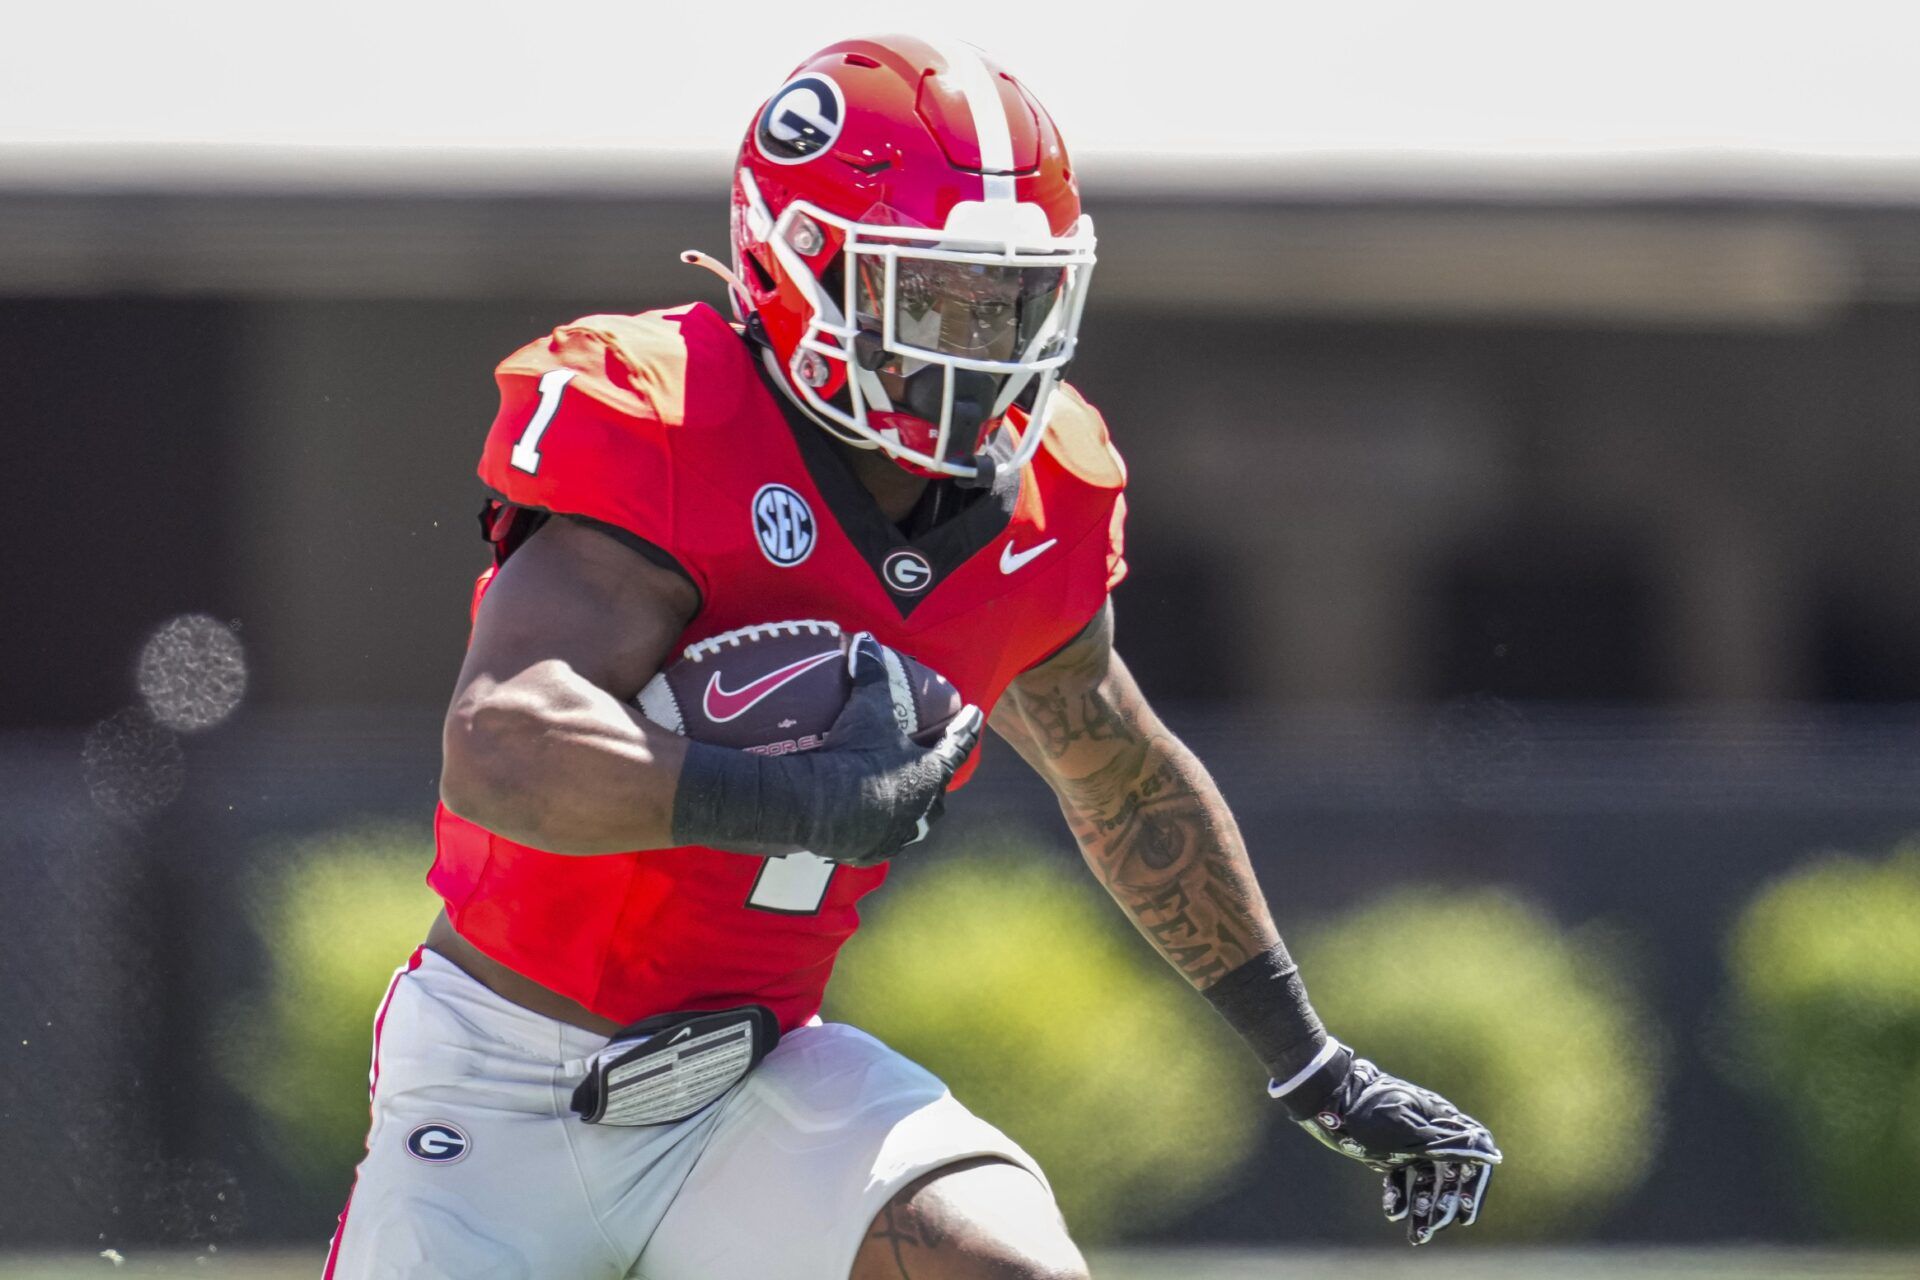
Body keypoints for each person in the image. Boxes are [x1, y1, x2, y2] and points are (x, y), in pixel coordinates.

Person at [324, 33, 1500, 1280]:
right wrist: (798, 799)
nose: (981, 341)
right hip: (504, 1077)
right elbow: (500, 744)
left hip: (762, 1074)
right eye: (936, 295)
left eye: (1012, 299)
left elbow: (1121, 772)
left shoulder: (1048, 487)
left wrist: (1312, 1054)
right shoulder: (667, 414)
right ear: (798, 261)